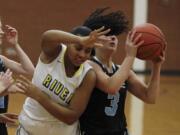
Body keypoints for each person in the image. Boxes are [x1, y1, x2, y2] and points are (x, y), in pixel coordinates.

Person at [79, 7, 166, 135]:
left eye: (114, 34)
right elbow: (111, 86)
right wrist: (130, 56)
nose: (113, 38)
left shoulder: (122, 71)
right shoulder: (89, 66)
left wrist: (156, 65)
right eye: (107, 35)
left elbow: (150, 97)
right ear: (94, 39)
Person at [14, 26, 110, 135]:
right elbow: (47, 36)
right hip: (29, 130)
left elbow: (70, 117)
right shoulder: (54, 52)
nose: (82, 55)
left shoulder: (88, 75)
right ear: (68, 43)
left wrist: (39, 96)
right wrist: (80, 40)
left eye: (87, 51)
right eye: (78, 48)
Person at [0, 18, 34, 135]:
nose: (2, 32)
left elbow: (29, 70)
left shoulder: (1, 60)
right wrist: (3, 89)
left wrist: (15, 45)